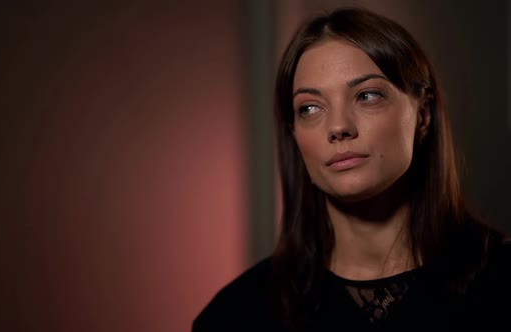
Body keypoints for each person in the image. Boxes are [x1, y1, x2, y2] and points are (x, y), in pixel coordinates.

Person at [191, 6, 511, 332]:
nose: (339, 127)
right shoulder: (236, 315)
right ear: (294, 133)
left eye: (367, 95)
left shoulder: (501, 283)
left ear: (423, 115)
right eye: (310, 108)